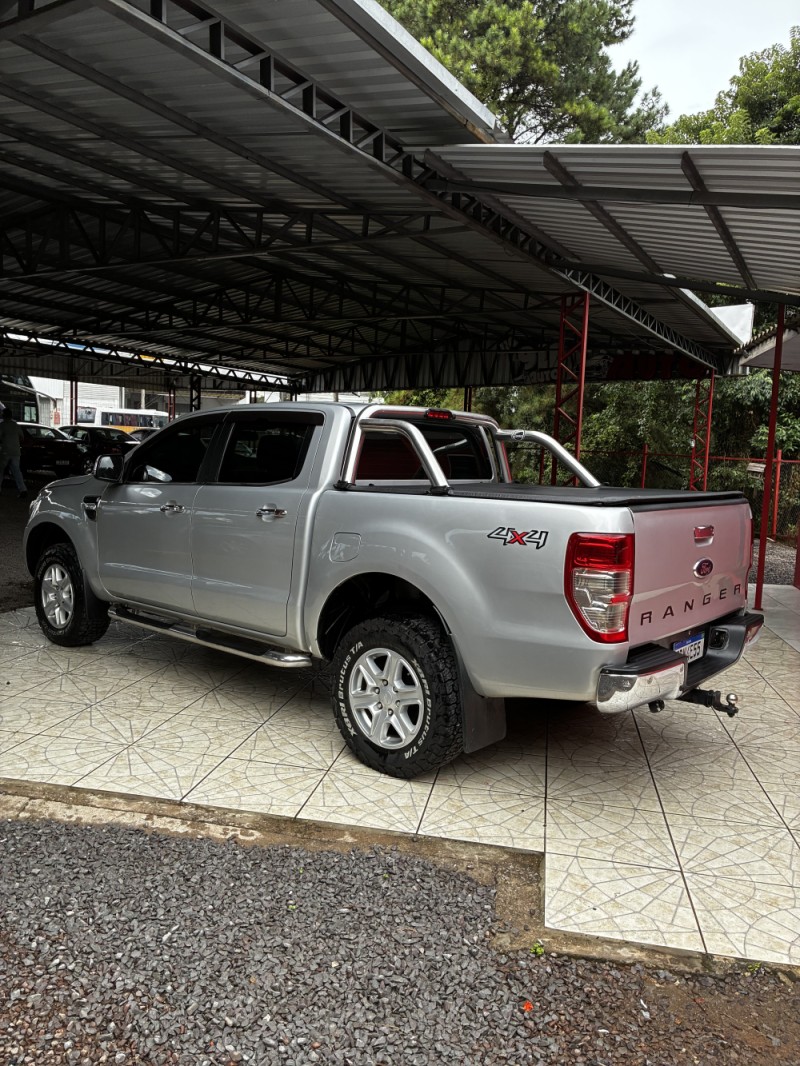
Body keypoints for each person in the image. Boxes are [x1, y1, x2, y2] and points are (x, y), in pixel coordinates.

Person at [0, 407, 28, 499]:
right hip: (16, 451)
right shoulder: (16, 425)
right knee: (17, 471)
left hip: (5, 451)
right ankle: (23, 489)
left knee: (1, 470)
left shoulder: (2, 425)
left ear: (3, 416)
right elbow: (22, 437)